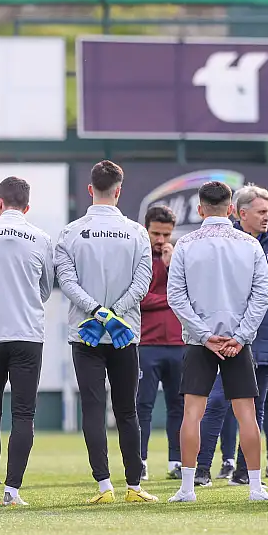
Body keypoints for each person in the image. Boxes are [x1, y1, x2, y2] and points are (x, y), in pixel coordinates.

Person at [55, 161, 158, 504]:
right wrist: (113, 314)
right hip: (123, 333)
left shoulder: (70, 232)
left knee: (93, 409)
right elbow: (142, 283)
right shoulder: (136, 232)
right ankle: (134, 486)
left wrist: (97, 312)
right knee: (127, 410)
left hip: (85, 334)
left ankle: (104, 486)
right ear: (119, 191)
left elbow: (66, 282)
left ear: (90, 189)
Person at [166, 180, 268, 503]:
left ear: (200, 209)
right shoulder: (250, 245)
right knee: (247, 415)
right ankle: (255, 487)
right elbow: (262, 296)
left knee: (192, 413)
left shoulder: (185, 244)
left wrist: (203, 335)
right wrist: (240, 336)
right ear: (231, 209)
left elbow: (175, 296)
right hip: (236, 342)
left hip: (201, 342)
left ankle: (187, 488)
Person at [197, 185, 268, 487]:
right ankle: (202, 469)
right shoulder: (229, 243)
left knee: (258, 406)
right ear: (241, 213)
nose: (267, 217)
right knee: (217, 401)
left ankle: (243, 471)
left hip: (266, 338)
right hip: (229, 336)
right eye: (261, 211)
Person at [0, 177, 54, 507]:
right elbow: (45, 289)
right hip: (27, 335)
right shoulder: (41, 237)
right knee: (23, 415)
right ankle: (13, 491)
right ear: (27, 207)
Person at [136, 205, 186, 482]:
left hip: (179, 344)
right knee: (142, 405)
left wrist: (171, 267)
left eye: (166, 234)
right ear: (146, 229)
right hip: (146, 343)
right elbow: (138, 297)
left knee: (178, 406)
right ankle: (140, 462)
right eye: (155, 233)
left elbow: (189, 295)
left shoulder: (179, 258)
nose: (160, 239)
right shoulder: (138, 257)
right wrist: (170, 299)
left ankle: (176, 462)